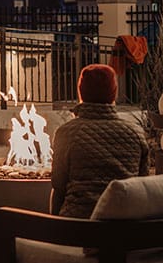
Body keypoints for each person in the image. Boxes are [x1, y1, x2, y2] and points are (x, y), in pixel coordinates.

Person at [49, 63, 150, 219]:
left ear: (81, 92)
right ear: (113, 94)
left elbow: (58, 186)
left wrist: (54, 227)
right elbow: (142, 183)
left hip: (77, 224)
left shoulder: (66, 132)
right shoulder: (135, 132)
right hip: (123, 225)